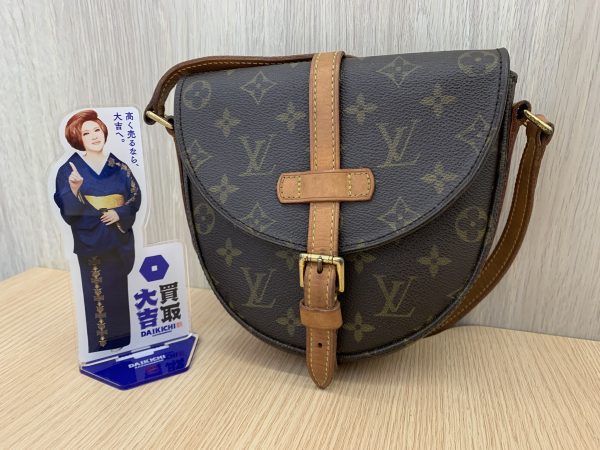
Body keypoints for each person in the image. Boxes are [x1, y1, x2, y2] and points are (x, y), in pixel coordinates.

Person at [54, 109, 141, 352]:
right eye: (86, 133)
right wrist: (74, 189)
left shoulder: (119, 167)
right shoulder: (69, 169)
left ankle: (122, 342)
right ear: (77, 138)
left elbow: (134, 196)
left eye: (96, 130)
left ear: (103, 131)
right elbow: (65, 206)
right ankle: (101, 347)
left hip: (117, 236)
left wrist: (119, 213)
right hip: (92, 239)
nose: (94, 136)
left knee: (118, 293)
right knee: (97, 294)